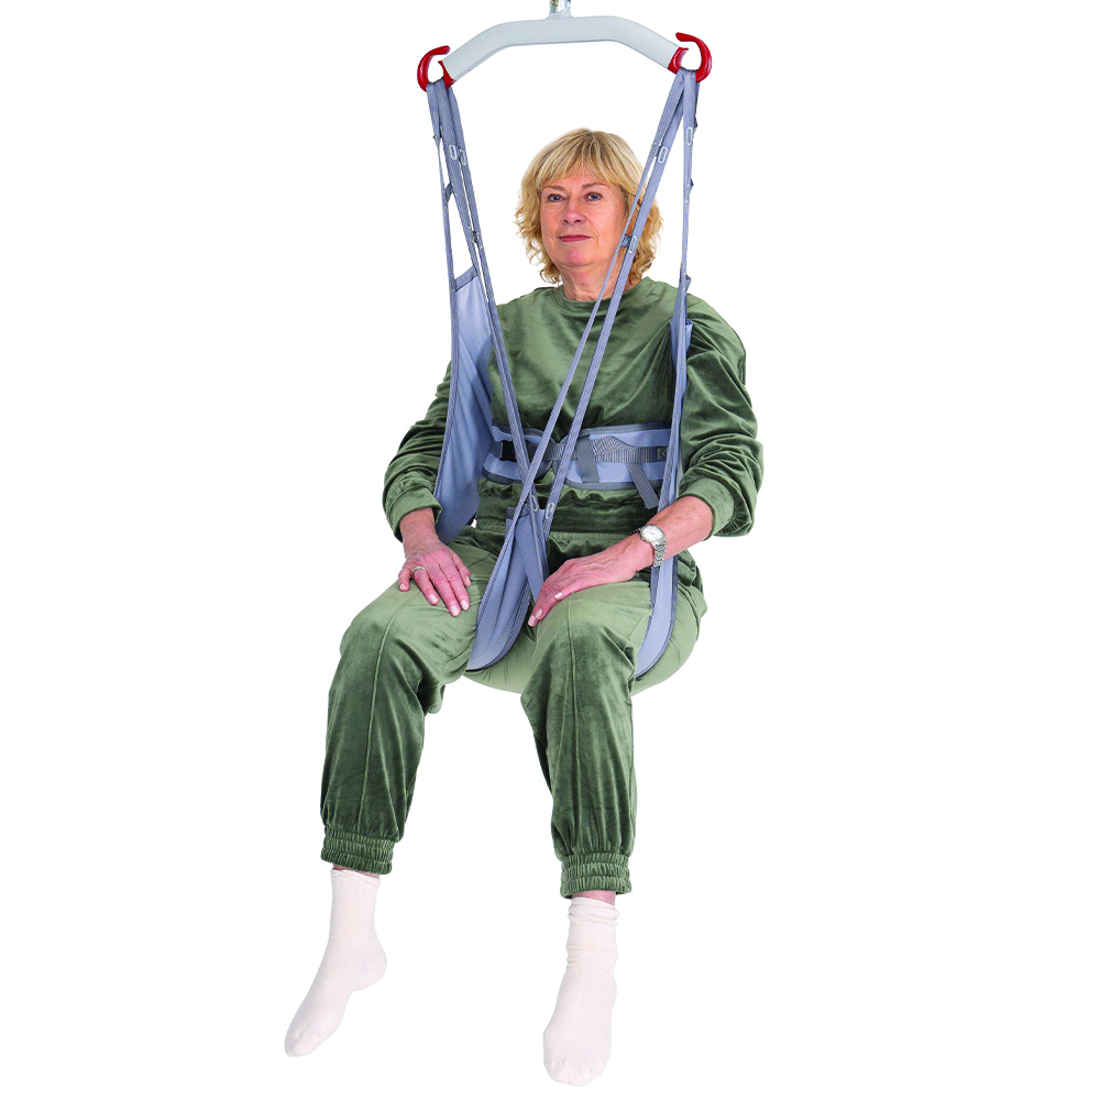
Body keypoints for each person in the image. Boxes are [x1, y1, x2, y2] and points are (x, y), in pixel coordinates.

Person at [285, 128, 763, 1085]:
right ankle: (352, 931)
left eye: (594, 196)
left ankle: (592, 951)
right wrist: (422, 539)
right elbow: (427, 448)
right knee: (378, 636)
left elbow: (731, 469)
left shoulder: (683, 326)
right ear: (534, 218)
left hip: (633, 571)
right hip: (497, 557)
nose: (572, 214)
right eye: (554, 198)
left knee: (582, 639)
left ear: (635, 214)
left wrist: (635, 549)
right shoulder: (504, 330)